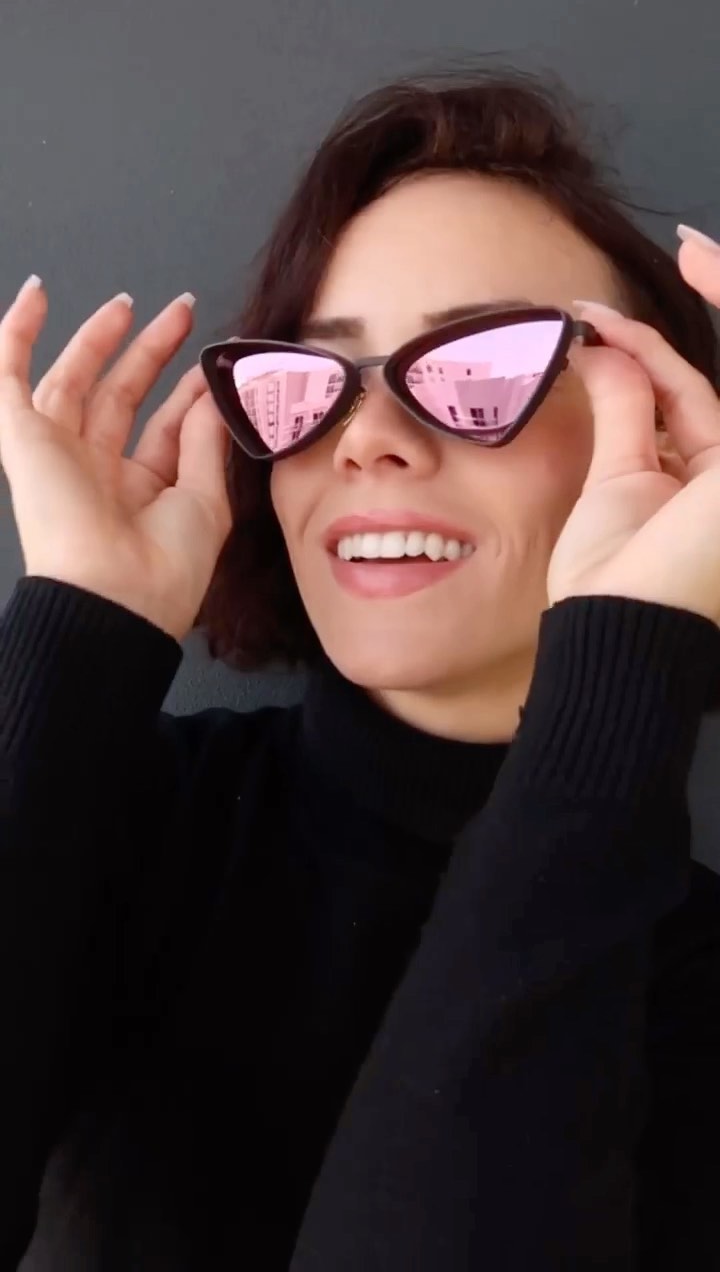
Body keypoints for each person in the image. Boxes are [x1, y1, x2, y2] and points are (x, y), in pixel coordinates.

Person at [1, 63, 720, 1272]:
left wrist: (630, 668)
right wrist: (76, 627)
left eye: (482, 367)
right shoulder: (119, 816)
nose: (369, 437)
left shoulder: (692, 976)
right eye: (314, 382)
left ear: (661, 430)